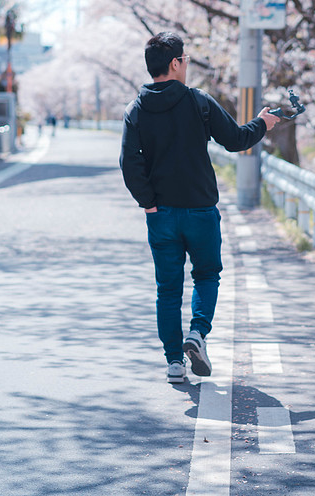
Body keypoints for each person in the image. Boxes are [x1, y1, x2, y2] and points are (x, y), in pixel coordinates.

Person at [120, 32, 280, 384]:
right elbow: (236, 140)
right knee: (206, 276)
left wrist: (148, 204)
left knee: (167, 288)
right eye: (186, 59)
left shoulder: (136, 109)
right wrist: (263, 124)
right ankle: (198, 333)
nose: (188, 65)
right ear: (175, 63)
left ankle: (175, 362)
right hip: (201, 211)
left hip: (160, 215)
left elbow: (129, 163)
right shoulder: (198, 102)